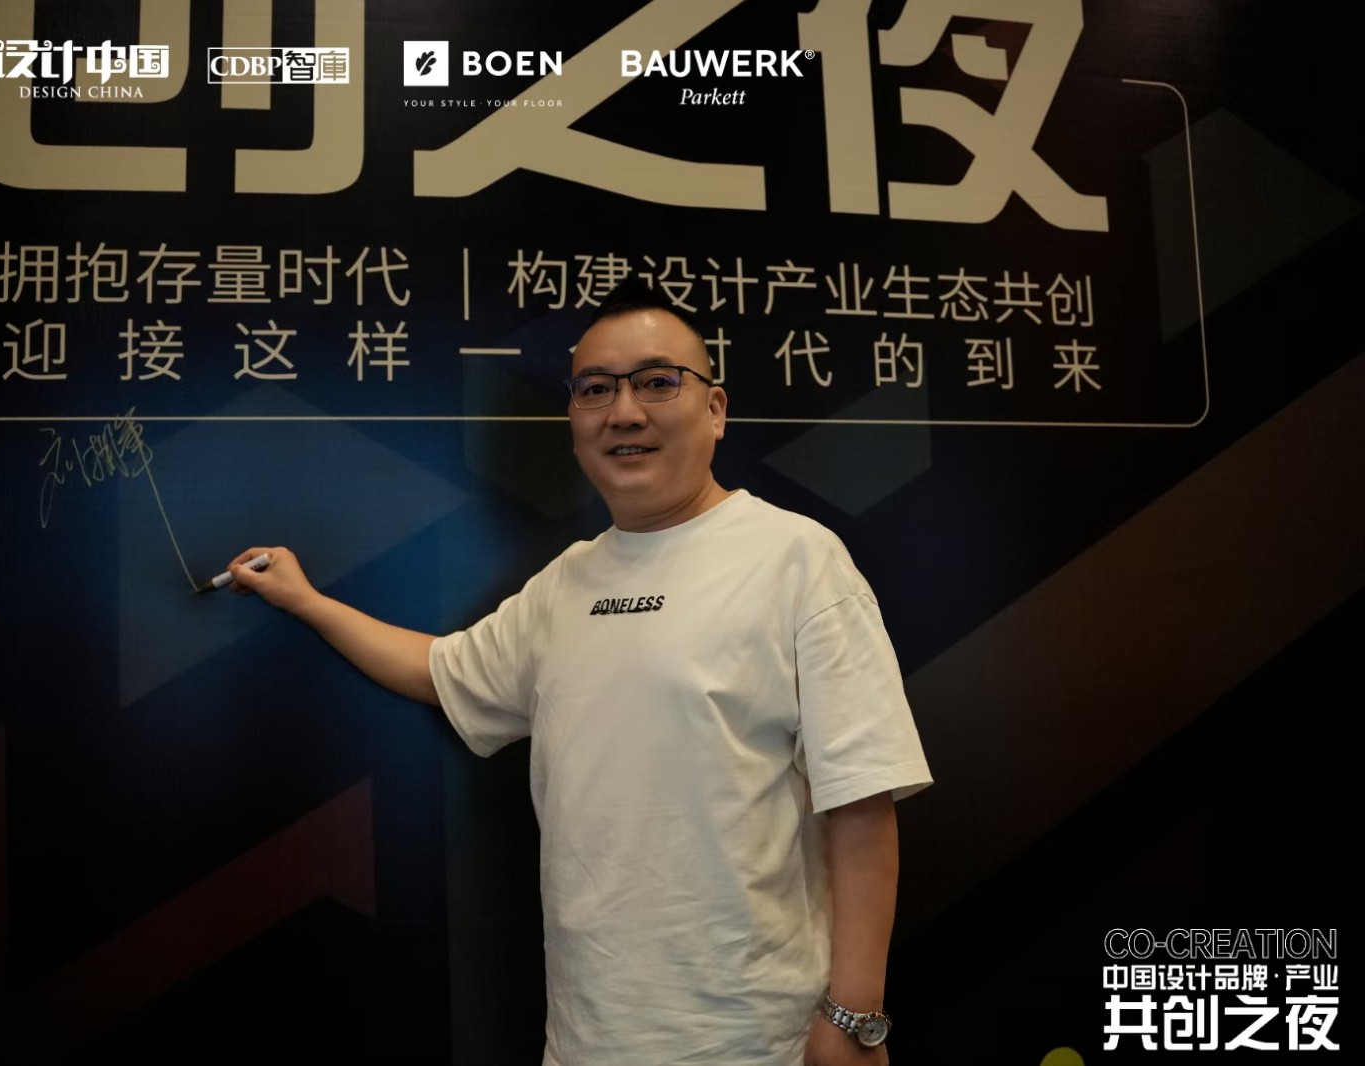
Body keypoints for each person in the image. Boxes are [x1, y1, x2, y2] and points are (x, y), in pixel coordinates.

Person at [226, 280, 932, 1066]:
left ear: (715, 409)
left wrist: (854, 1014)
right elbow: (440, 669)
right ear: (573, 421)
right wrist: (307, 600)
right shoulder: (565, 584)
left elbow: (861, 798)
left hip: (753, 1040)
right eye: (595, 389)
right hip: (584, 1039)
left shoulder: (797, 559)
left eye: (657, 382)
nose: (623, 412)